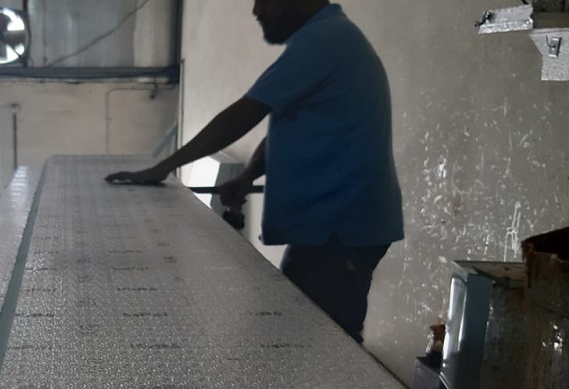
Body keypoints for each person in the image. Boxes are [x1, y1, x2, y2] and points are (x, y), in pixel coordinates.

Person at [105, 0, 404, 344]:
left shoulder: (325, 40)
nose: (257, 11)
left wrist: (163, 167)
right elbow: (288, 124)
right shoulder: (327, 37)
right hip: (333, 228)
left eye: (265, 0)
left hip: (339, 230)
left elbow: (244, 114)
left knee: (319, 344)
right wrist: (247, 177)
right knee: (296, 332)